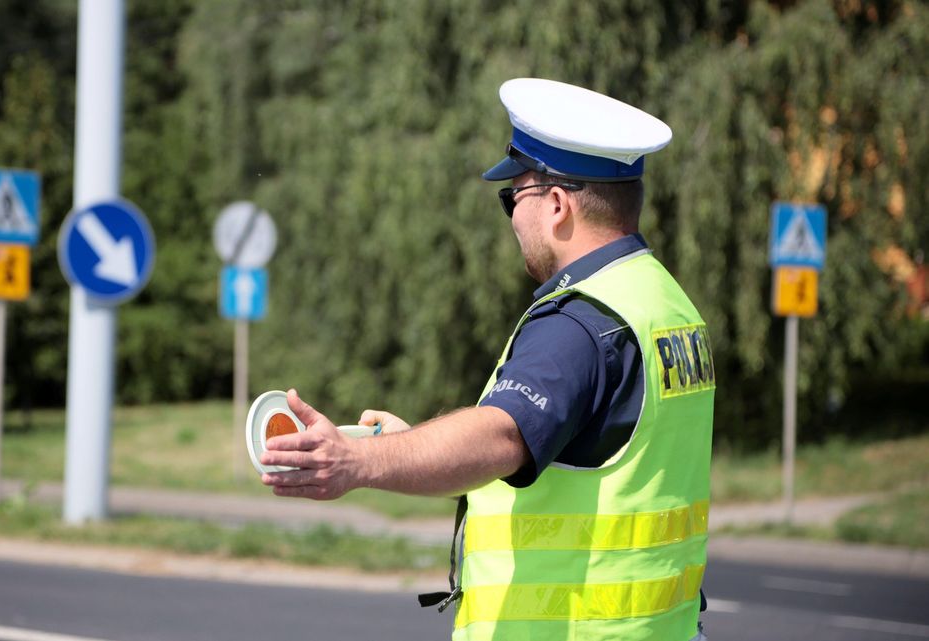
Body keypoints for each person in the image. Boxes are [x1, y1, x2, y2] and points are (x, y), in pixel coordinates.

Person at [258, 78, 714, 641]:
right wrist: (411, 445)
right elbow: (588, 460)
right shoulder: (664, 303)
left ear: (556, 205)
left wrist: (355, 460)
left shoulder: (577, 324)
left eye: (512, 199)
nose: (513, 221)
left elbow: (503, 436)